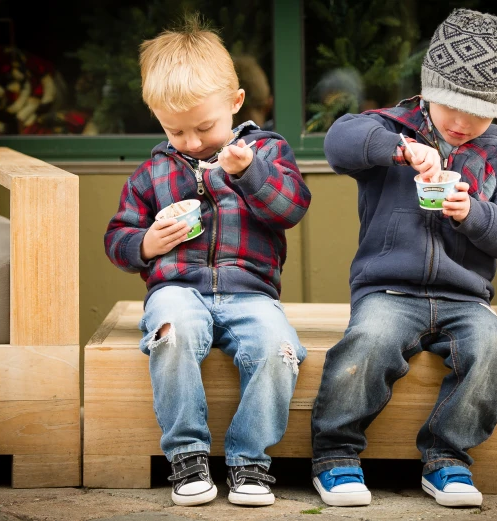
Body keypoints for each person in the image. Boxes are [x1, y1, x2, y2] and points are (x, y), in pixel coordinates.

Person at [310, 8, 497, 509]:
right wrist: (399, 149)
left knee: (494, 349)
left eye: (478, 112)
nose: (460, 122)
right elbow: (337, 143)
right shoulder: (389, 127)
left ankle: (447, 456)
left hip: (464, 298)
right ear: (428, 89)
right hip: (389, 290)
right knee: (367, 342)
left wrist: (473, 214)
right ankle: (335, 455)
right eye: (450, 106)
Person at [104, 15, 311, 508]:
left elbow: (292, 208)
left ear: (236, 103)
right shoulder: (152, 171)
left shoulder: (266, 151)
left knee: (278, 348)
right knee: (170, 334)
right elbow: (118, 237)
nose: (193, 143)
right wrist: (148, 244)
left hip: (250, 292)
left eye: (204, 127)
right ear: (157, 118)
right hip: (177, 289)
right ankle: (187, 455)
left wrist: (251, 173)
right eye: (176, 131)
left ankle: (250, 460)